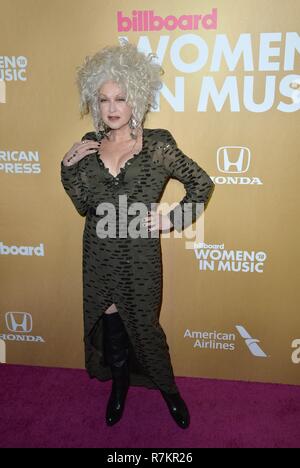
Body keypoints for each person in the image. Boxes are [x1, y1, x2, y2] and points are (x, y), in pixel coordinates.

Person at [60, 42, 215, 429]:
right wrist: (66, 167)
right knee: (111, 327)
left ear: (137, 98)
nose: (112, 108)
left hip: (140, 257)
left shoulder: (157, 143)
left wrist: (172, 219)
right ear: (95, 103)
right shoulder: (89, 145)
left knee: (146, 329)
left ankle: (169, 391)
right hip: (98, 252)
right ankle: (119, 386)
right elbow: (83, 204)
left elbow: (202, 184)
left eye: (121, 98)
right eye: (104, 99)